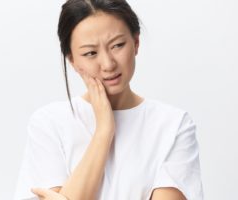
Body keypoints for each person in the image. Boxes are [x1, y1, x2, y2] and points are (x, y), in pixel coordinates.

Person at [14, 0, 204, 200]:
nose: (108, 64)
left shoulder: (173, 125)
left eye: (117, 45)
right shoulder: (49, 123)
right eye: (90, 53)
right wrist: (104, 131)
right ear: (72, 60)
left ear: (136, 43)